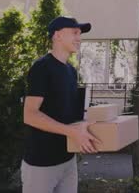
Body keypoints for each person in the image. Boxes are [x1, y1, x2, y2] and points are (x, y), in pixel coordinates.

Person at [21, 16, 101, 193]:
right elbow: (30, 115)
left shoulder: (71, 71)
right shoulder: (42, 67)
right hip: (41, 163)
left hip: (67, 160)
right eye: (74, 33)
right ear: (57, 35)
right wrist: (72, 132)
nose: (79, 38)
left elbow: (67, 115)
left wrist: (85, 126)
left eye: (80, 34)